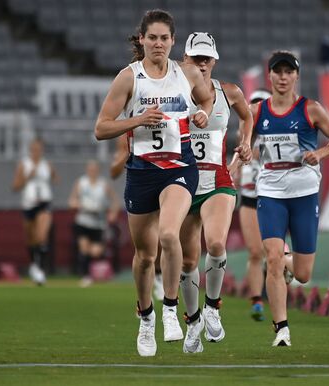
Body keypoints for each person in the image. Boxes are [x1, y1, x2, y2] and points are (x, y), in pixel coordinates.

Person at [94, 9, 213, 357]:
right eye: (153, 37)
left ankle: (171, 311)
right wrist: (137, 120)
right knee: (145, 257)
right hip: (142, 172)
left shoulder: (187, 71)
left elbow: (205, 97)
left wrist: (202, 111)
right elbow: (101, 127)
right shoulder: (129, 78)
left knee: (168, 235)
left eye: (165, 38)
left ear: (173, 41)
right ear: (142, 40)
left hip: (179, 168)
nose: (159, 44)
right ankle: (145, 318)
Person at [252, 51, 329, 347]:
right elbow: (246, 140)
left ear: (296, 76)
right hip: (270, 192)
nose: (282, 77)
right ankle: (281, 328)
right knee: (272, 258)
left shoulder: (311, 109)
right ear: (269, 76)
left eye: (288, 72)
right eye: (277, 72)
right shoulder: (257, 111)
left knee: (304, 274)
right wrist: (243, 152)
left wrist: (318, 154)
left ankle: (289, 260)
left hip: (304, 194)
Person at [178, 32, 252, 353]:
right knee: (188, 260)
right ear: (186, 60)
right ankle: (192, 322)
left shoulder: (229, 92)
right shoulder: (172, 94)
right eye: (196, 58)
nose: (202, 63)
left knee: (218, 243)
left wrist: (245, 142)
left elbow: (248, 116)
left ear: (215, 60)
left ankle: (212, 307)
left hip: (217, 179)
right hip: (181, 183)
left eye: (207, 58)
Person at [111, 135, 164, 301]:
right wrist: (127, 155)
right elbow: (114, 172)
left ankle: (160, 276)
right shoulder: (126, 133)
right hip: (140, 186)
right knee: (144, 251)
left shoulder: (171, 114)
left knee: (165, 235)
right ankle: (144, 301)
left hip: (166, 182)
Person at [237, 89, 271, 322]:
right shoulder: (243, 134)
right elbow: (236, 165)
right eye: (253, 105)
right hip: (249, 200)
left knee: (274, 252)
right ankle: (257, 299)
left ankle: (279, 277)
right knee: (256, 252)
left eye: (261, 105)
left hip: (273, 198)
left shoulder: (277, 131)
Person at [12, 137, 58, 285]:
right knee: (31, 239)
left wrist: (51, 176)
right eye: (34, 149)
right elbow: (16, 186)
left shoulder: (46, 164)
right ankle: (34, 265)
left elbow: (56, 179)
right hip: (28, 204)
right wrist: (28, 177)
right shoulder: (24, 165)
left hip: (43, 203)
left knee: (41, 236)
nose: (36, 152)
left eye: (39, 149)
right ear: (30, 150)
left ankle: (40, 270)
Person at [68, 160, 120, 287]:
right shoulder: (81, 183)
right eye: (90, 169)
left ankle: (95, 272)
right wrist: (77, 204)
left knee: (96, 251)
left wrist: (113, 213)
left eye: (94, 169)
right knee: (84, 247)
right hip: (83, 220)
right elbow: (72, 200)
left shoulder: (103, 184)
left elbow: (115, 200)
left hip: (98, 222)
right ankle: (85, 276)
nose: (92, 171)